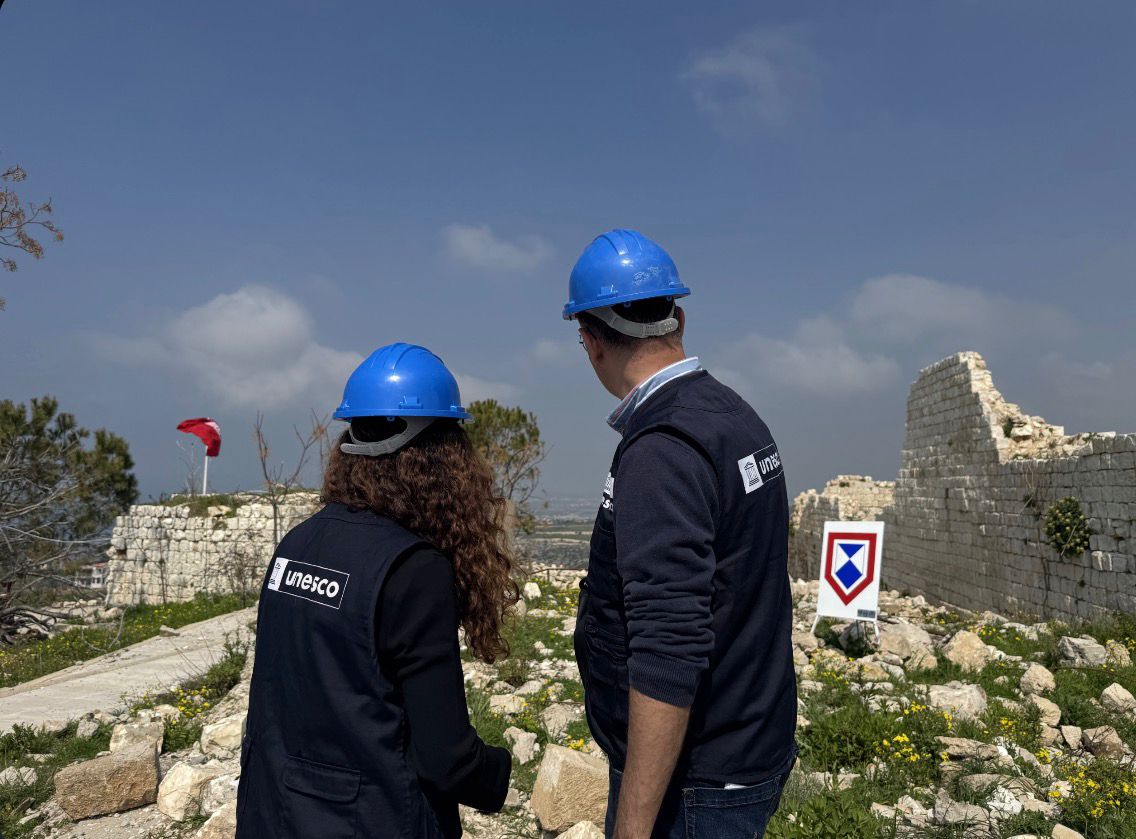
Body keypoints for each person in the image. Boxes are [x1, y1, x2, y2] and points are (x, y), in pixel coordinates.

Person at [564, 230, 798, 839]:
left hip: (696, 780)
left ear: (589, 341)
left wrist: (634, 826)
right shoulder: (732, 416)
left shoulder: (662, 451)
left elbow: (669, 645)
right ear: (679, 318)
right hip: (749, 741)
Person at [236, 342, 514, 839]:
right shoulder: (413, 569)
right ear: (442, 458)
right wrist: (497, 774)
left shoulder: (297, 544)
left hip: (276, 815)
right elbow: (444, 760)